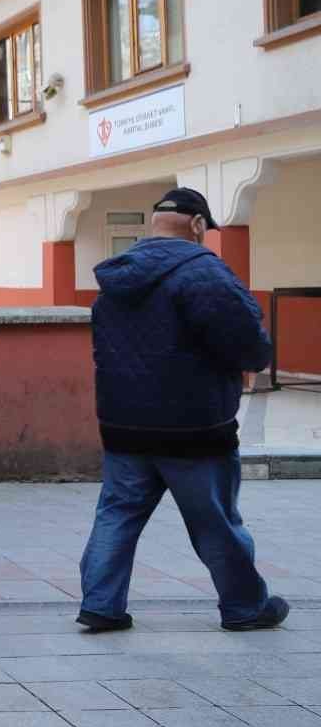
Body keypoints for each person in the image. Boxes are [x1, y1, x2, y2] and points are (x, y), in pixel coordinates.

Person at [80, 187, 287, 634]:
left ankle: (100, 605)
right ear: (196, 225)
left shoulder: (117, 277)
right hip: (193, 428)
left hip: (123, 424)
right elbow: (249, 344)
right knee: (215, 521)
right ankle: (245, 606)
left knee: (117, 514)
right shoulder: (204, 273)